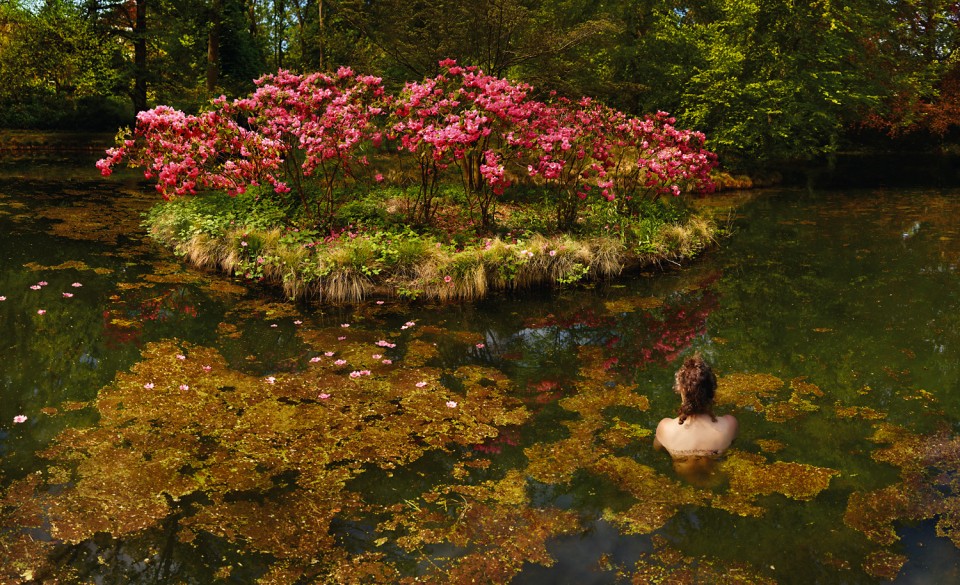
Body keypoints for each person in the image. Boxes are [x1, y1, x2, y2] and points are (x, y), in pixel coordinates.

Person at [654, 354, 738, 460]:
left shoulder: (665, 428)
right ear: (712, 390)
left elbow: (657, 450)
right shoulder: (730, 424)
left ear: (681, 389)